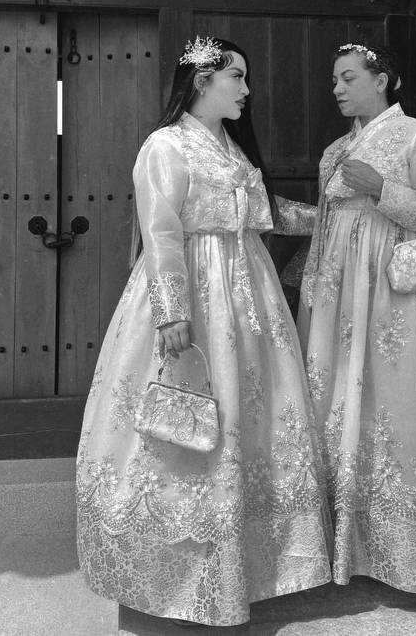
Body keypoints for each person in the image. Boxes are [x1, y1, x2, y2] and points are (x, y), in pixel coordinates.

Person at [76, 35, 332, 628]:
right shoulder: (165, 145)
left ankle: (250, 565)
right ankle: (175, 572)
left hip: (249, 292)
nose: (246, 89)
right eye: (236, 77)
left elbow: (266, 213)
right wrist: (171, 310)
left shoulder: (232, 150)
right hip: (194, 288)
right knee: (188, 418)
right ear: (201, 81)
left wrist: (336, 215)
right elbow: (161, 228)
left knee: (254, 415)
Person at [297, 42, 416, 593]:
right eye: (334, 79)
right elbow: (324, 232)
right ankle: (342, 545)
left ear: (383, 79)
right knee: (337, 396)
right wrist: (310, 295)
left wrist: (381, 188)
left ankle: (405, 552)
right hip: (338, 296)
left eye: (348, 77)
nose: (336, 88)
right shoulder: (334, 150)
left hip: (392, 293)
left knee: (392, 396)